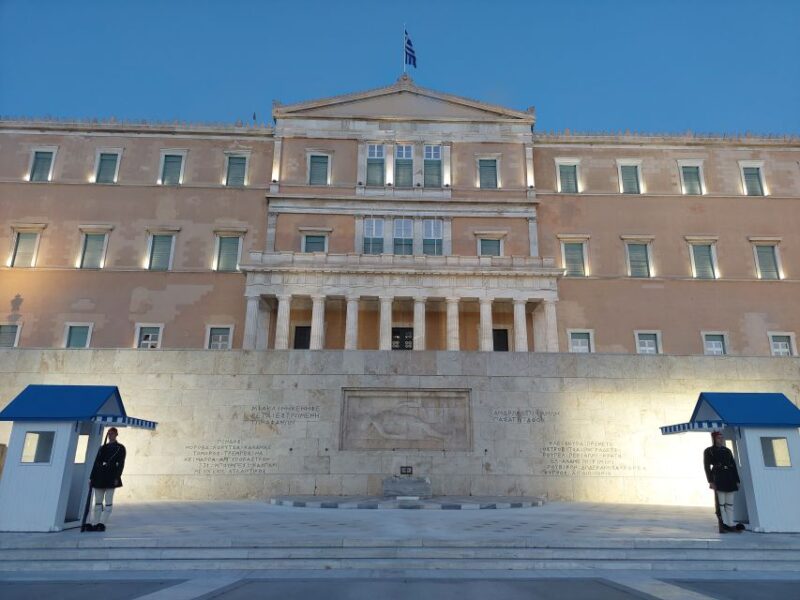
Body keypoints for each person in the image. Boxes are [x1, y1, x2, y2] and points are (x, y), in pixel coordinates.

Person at [87, 427, 126, 532]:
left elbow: (121, 464)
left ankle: (102, 523)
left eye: (112, 433)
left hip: (111, 476)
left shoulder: (120, 448)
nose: (110, 435)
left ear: (116, 434)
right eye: (109, 433)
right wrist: (91, 477)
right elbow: (96, 463)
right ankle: (95, 523)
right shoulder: (102, 447)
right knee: (98, 502)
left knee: (108, 502)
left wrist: (117, 477)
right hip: (99, 476)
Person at [703, 431, 741, 533]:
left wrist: (737, 480)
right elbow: (707, 467)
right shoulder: (709, 451)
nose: (721, 439)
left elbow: (733, 466)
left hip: (729, 478)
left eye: (722, 438)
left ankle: (730, 524)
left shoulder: (727, 451)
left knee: (729, 504)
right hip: (718, 478)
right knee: (721, 504)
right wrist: (710, 481)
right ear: (714, 439)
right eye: (719, 438)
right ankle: (722, 525)